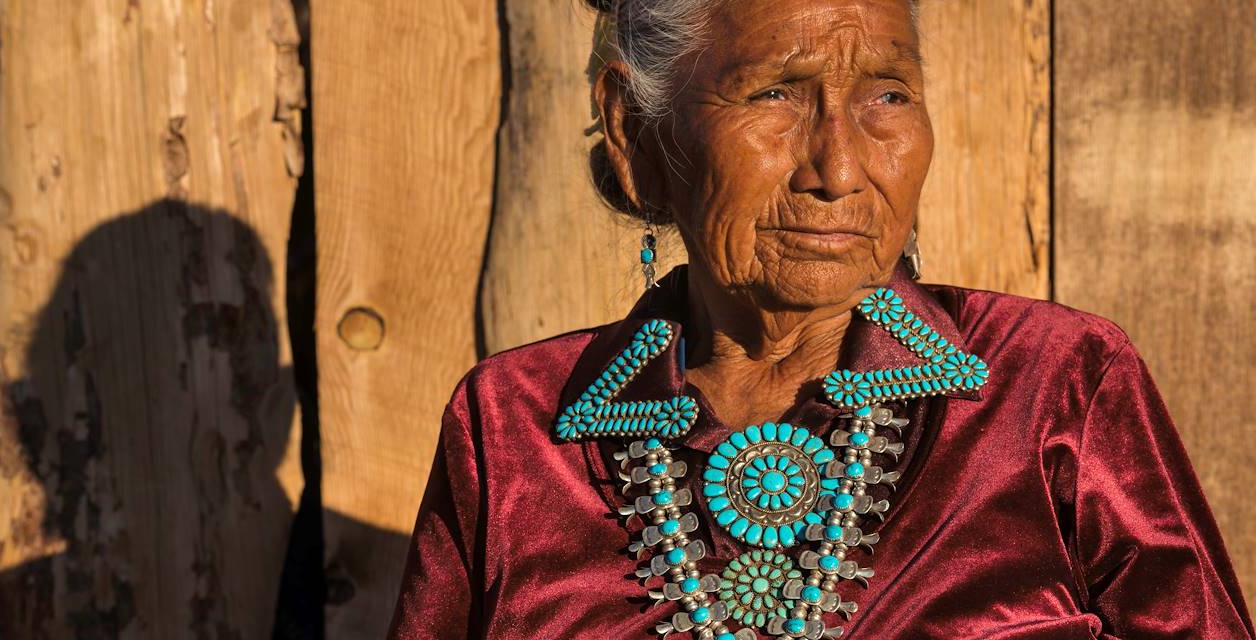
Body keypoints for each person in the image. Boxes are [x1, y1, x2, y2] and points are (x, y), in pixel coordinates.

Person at [388, 0, 1254, 637]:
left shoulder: (1056, 385)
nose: (839, 167)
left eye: (887, 95)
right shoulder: (511, 428)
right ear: (634, 131)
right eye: (775, 94)